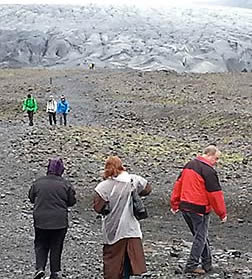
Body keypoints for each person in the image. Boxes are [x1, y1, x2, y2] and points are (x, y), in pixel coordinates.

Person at [170, 145, 227, 275]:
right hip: (199, 209)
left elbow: (178, 184)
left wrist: (175, 203)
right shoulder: (208, 171)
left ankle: (207, 263)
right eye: (216, 158)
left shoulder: (189, 165)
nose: (216, 162)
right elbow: (215, 194)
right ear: (209, 155)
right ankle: (191, 265)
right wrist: (222, 213)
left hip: (185, 207)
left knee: (200, 236)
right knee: (200, 237)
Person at [93, 155, 152, 279]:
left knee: (113, 264)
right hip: (131, 229)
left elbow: (98, 207)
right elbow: (147, 189)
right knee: (129, 261)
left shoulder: (103, 187)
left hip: (113, 229)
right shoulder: (133, 180)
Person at [28, 158, 76, 279]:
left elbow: (31, 198)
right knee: (56, 246)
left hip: (41, 220)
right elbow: (71, 201)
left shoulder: (38, 182)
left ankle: (40, 268)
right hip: (59, 222)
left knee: (40, 243)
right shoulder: (66, 184)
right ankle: (55, 272)